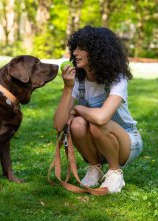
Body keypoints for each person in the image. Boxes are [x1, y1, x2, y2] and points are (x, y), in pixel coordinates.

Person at [54, 26, 143, 193]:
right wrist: (67, 88)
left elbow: (102, 118)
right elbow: (59, 125)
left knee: (96, 122)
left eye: (81, 48)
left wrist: (78, 108)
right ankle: (95, 168)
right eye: (74, 48)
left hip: (127, 142)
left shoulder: (118, 79)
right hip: (97, 141)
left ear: (97, 52)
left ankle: (115, 172)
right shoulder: (78, 81)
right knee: (77, 124)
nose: (75, 53)